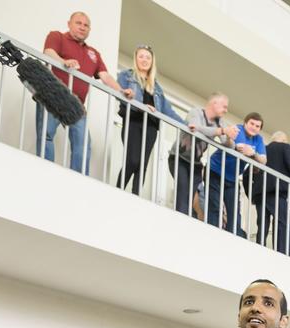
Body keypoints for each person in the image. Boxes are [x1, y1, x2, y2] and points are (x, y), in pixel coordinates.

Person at [39, 12, 132, 174]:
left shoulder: (93, 53)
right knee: (46, 135)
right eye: (78, 23)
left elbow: (105, 76)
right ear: (69, 24)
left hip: (76, 104)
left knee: (82, 146)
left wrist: (121, 90)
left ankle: (78, 181)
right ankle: (45, 172)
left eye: (86, 25)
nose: (82, 27)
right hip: (53, 94)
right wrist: (64, 62)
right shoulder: (57, 36)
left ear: (89, 29)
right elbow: (48, 52)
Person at [115, 46, 184, 195]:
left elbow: (168, 111)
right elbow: (119, 93)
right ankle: (117, 191)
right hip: (133, 121)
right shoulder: (126, 75)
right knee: (132, 160)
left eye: (148, 57)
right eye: (141, 56)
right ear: (136, 58)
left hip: (151, 127)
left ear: (152, 61)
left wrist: (186, 125)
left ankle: (135, 196)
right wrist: (142, 106)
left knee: (142, 164)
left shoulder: (156, 86)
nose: (144, 60)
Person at [172, 93, 236, 218]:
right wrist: (222, 131)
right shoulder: (196, 112)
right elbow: (195, 128)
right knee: (183, 192)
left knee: (190, 197)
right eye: (224, 106)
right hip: (179, 158)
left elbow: (229, 145)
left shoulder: (219, 122)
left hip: (195, 163)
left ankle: (186, 219)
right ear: (214, 103)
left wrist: (228, 137)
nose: (226, 110)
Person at [206, 112, 266, 238]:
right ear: (245, 123)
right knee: (215, 206)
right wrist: (239, 148)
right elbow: (235, 145)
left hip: (232, 179)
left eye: (257, 126)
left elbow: (263, 160)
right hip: (215, 171)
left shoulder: (259, 139)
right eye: (252, 124)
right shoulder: (238, 130)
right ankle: (212, 236)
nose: (254, 127)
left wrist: (253, 153)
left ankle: (231, 239)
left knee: (234, 214)